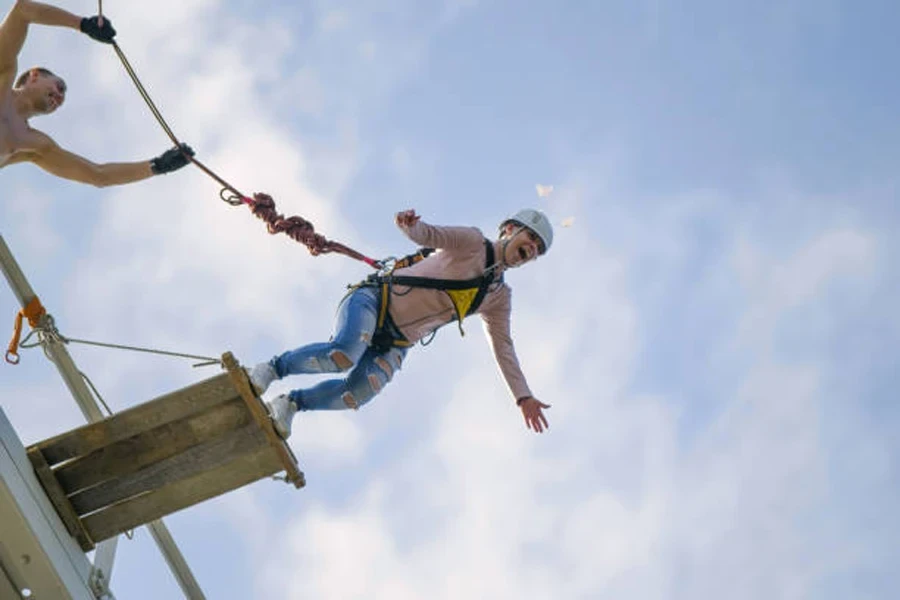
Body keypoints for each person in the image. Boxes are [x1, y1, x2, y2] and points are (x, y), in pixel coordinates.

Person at [248, 208, 554, 438]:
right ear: (510, 229)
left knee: (359, 392)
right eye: (531, 239)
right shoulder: (472, 241)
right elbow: (431, 236)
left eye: (537, 252)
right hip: (375, 300)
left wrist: (522, 396)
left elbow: (503, 348)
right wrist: (411, 225)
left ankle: (290, 404)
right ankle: (271, 369)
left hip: (395, 341)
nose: (532, 250)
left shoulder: (498, 297)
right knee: (344, 353)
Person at [0, 0, 193, 185]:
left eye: (62, 99)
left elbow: (98, 175)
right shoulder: (3, 72)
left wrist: (158, 166)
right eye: (60, 87)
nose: (59, 97)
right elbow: (22, 11)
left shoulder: (34, 144)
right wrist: (83, 25)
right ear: (34, 76)